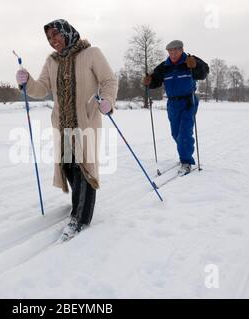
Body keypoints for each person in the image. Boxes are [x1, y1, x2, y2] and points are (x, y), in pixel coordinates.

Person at [16, 19, 118, 240]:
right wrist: (26, 81)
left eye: (56, 35)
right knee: (70, 167)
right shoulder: (51, 61)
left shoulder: (91, 53)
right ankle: (77, 204)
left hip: (86, 121)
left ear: (67, 32)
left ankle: (80, 218)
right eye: (49, 38)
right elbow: (41, 88)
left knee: (85, 169)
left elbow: (109, 80)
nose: (53, 41)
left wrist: (108, 100)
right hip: (62, 125)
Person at [143, 40, 209, 175]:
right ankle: (184, 153)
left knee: (185, 131)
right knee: (176, 133)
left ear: (181, 50)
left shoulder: (190, 61)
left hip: (188, 101)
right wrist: (149, 82)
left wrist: (195, 66)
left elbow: (204, 72)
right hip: (173, 104)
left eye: (175, 50)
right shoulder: (164, 66)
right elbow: (154, 81)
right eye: (170, 51)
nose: (173, 53)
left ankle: (186, 161)